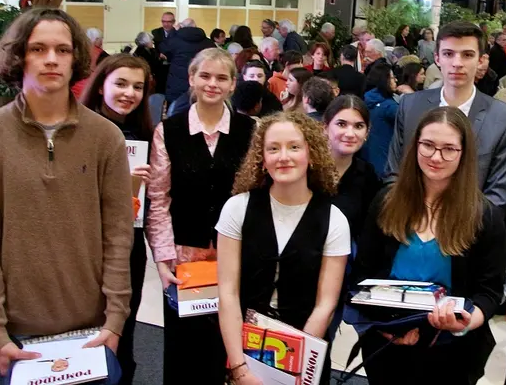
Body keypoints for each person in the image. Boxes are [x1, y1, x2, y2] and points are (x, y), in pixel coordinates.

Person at [0, 8, 133, 379]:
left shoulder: (106, 138)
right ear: (18, 56)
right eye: (38, 49)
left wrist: (116, 318)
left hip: (91, 329)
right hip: (14, 333)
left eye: (62, 49)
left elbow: (119, 234)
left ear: (76, 58)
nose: (51, 59)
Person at [353, 106, 506, 384]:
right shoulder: (386, 202)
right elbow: (363, 274)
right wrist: (385, 328)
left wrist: (465, 322)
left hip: (452, 353)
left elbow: (490, 291)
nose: (436, 157)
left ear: (464, 154)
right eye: (428, 145)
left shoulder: (484, 216)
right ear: (415, 146)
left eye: (449, 149)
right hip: (388, 344)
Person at [216, 111, 350, 385]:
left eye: (294, 147)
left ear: (311, 155)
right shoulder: (237, 208)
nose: (283, 156)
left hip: (305, 350)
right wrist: (239, 368)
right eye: (273, 149)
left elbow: (325, 305)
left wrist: (295, 366)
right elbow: (227, 294)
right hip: (242, 347)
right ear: (262, 160)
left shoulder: (334, 220)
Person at [146, 48, 255, 385]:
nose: (212, 83)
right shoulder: (169, 130)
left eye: (221, 77)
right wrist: (163, 261)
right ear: (191, 79)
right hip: (185, 257)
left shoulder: (250, 130)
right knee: (184, 349)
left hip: (235, 256)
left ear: (233, 84)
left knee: (230, 347)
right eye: (205, 76)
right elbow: (158, 199)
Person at [386, 21, 506, 213]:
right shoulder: (410, 106)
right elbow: (393, 173)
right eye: (449, 54)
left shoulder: (505, 119)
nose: (457, 63)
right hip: (410, 224)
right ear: (437, 58)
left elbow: (498, 196)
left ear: (481, 60)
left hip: (470, 233)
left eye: (467, 55)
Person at [80, 54, 154, 385]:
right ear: (100, 87)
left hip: (129, 244)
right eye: (120, 84)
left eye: (138, 87)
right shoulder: (80, 131)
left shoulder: (147, 135)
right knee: (85, 326)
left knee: (123, 325)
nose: (129, 93)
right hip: (85, 245)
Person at [321, 95, 381, 342]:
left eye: (358, 126)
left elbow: (368, 234)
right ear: (325, 127)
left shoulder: (367, 176)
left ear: (367, 133)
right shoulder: (304, 168)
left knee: (321, 346)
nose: (350, 133)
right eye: (341, 124)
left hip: (337, 278)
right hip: (295, 272)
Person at [159, 18, 214, 106]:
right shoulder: (207, 42)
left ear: (181, 27)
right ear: (196, 27)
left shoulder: (175, 40)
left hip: (176, 84)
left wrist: (173, 31)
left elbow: (163, 48)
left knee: (175, 114)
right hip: (199, 83)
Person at [361, 63, 399, 177]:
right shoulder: (390, 107)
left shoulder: (365, 100)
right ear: (384, 80)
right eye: (392, 77)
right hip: (385, 165)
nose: (396, 80)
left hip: (366, 161)